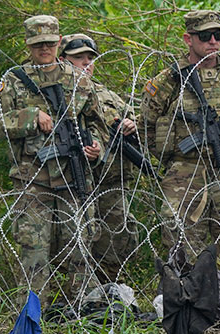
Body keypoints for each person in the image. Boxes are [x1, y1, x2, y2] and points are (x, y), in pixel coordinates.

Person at [0, 15, 105, 303]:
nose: (44, 49)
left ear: (58, 42)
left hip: (73, 176)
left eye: (50, 43)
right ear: (29, 44)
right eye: (38, 44)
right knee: (34, 253)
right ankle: (32, 317)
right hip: (33, 180)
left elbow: (98, 122)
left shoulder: (77, 79)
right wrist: (30, 117)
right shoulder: (14, 81)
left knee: (79, 248)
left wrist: (97, 147)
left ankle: (81, 312)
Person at [138, 10, 220, 278]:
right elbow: (146, 123)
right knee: (180, 243)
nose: (213, 41)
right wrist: (169, 158)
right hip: (186, 170)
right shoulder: (169, 80)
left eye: (219, 35)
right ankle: (183, 305)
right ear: (188, 39)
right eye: (205, 36)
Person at [60, 33, 141, 283]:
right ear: (63, 60)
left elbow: (138, 121)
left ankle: (109, 291)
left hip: (112, 182)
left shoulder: (105, 94)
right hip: (74, 183)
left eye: (90, 58)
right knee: (78, 238)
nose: (86, 63)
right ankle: (77, 293)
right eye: (78, 58)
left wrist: (132, 124)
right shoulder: (58, 96)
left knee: (118, 237)